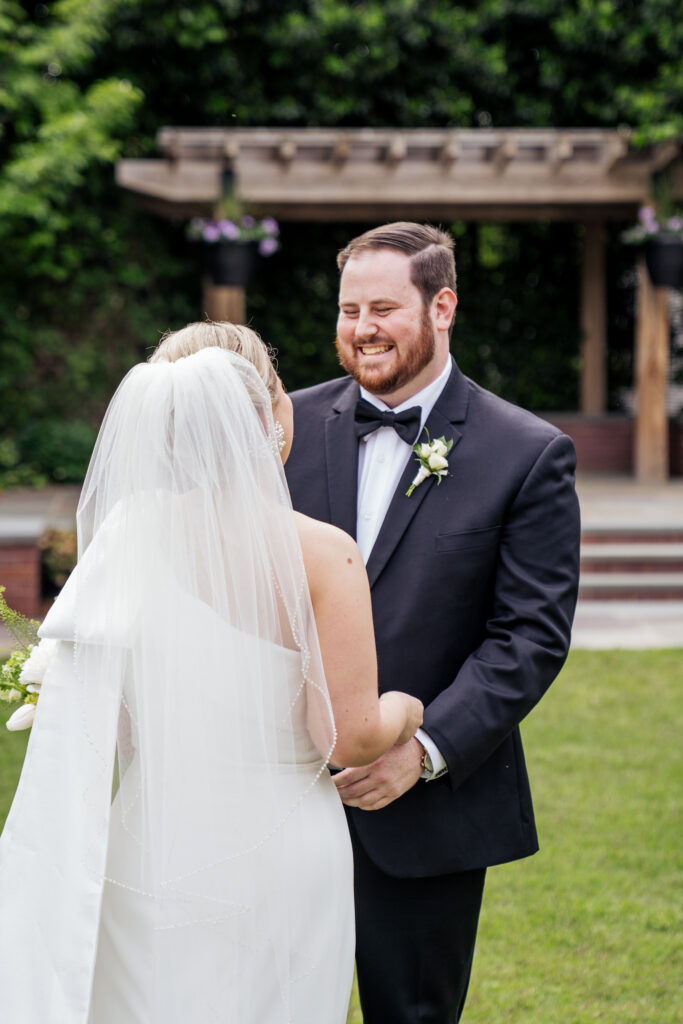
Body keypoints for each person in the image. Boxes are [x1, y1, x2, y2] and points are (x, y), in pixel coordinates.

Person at [0, 321, 422, 1024]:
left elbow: (121, 725)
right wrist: (406, 709)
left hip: (147, 841)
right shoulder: (322, 554)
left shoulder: (129, 533)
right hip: (279, 847)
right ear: (271, 417)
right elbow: (345, 738)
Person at [285, 222, 582, 1023]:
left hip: (423, 810)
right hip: (275, 792)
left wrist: (420, 753)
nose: (361, 329)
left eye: (383, 307)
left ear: (441, 305)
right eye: (348, 310)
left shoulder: (527, 453)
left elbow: (528, 637)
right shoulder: (280, 428)